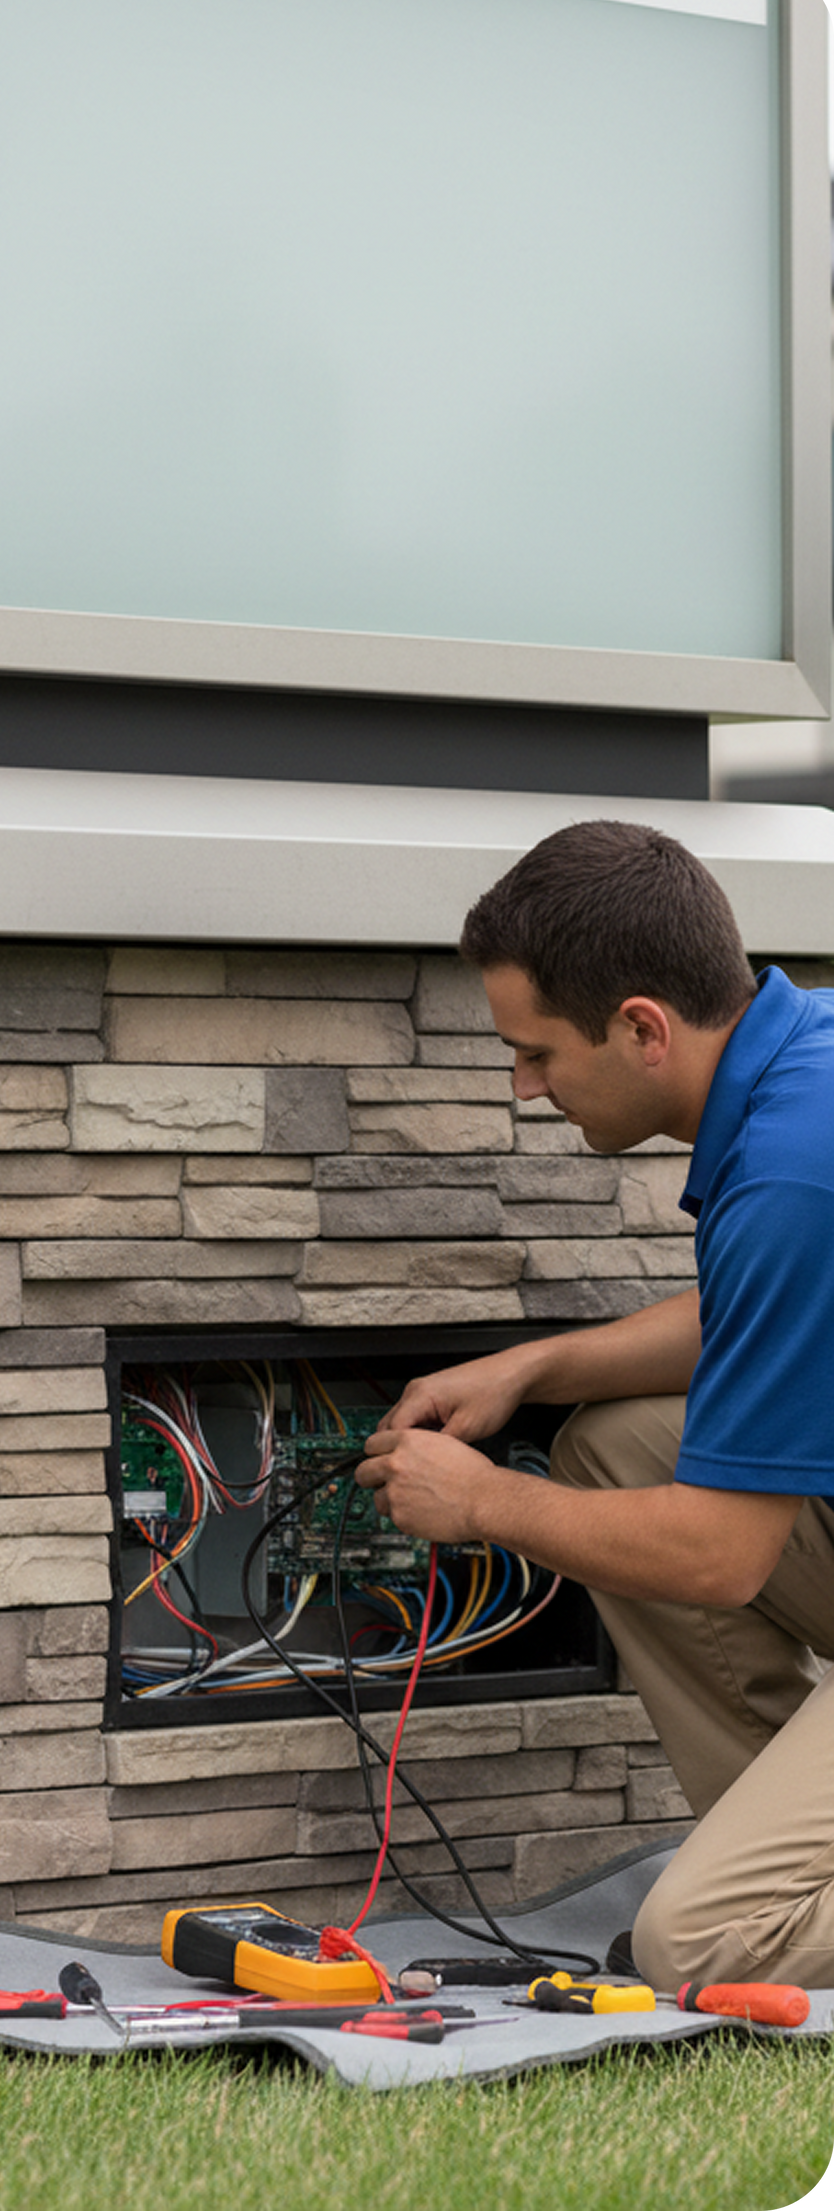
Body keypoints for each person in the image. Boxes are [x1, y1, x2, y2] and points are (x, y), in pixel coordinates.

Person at [354, 819, 834, 1995]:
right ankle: (777, 1852)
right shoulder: (803, 1056)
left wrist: (483, 1499)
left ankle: (754, 1901)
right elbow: (766, 1318)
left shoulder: (790, 1169)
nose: (525, 1085)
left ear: (641, 1026)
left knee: (698, 1944)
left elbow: (722, 1556)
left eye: (536, 1051)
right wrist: (532, 1368)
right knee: (614, 1445)